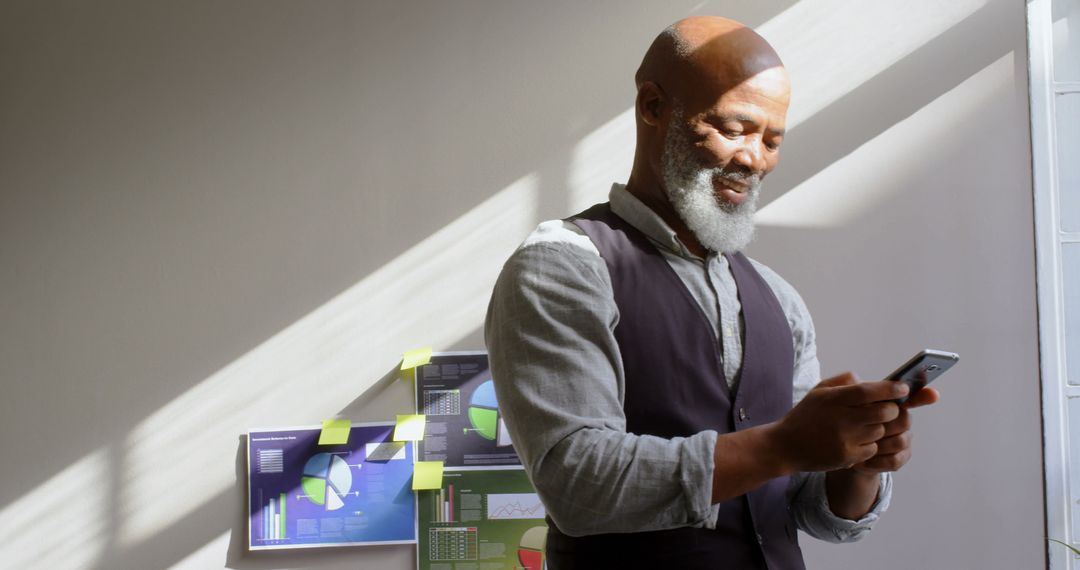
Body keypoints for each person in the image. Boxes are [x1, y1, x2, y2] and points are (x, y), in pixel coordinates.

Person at [484, 15, 938, 570]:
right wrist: (783, 445)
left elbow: (811, 513)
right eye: (734, 128)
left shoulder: (778, 299)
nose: (753, 159)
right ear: (653, 106)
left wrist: (859, 461)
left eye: (772, 141)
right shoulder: (563, 267)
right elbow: (577, 482)